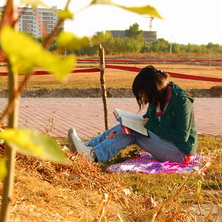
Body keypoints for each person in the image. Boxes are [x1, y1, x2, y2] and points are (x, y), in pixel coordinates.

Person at [68, 65, 197, 164]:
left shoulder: (182, 102)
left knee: (133, 132)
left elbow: (182, 137)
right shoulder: (156, 98)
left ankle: (92, 155)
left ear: (152, 90)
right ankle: (89, 145)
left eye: (143, 93)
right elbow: (148, 120)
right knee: (126, 126)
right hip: (167, 145)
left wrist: (152, 126)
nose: (143, 97)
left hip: (181, 153)